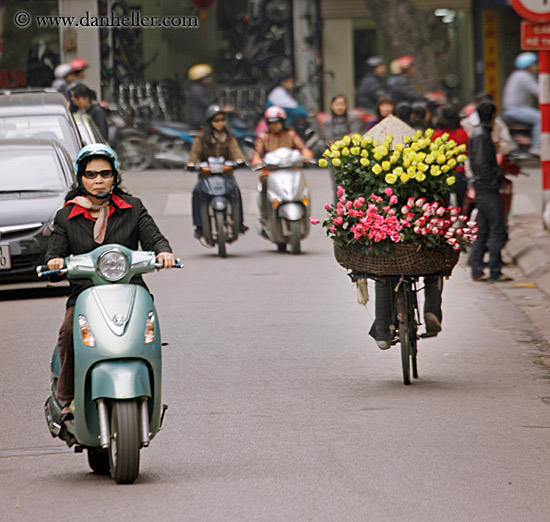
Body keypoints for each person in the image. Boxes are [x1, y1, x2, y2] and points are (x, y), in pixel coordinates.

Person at [45, 144, 175, 416]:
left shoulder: (133, 208)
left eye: (105, 173)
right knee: (69, 332)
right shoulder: (66, 216)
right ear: (81, 178)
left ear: (115, 176)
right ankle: (66, 396)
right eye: (91, 174)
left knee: (147, 334)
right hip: (84, 295)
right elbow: (54, 253)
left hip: (131, 292)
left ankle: (150, 392)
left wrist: (164, 252)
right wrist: (54, 262)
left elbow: (154, 237)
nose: (99, 180)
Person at [187, 104, 248, 238]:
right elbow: (195, 152)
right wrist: (191, 163)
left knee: (236, 192)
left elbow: (235, 150)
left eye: (222, 120)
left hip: (226, 174)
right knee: (197, 192)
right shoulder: (202, 137)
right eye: (216, 120)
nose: (220, 123)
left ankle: (239, 223)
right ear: (210, 122)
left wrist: (240, 160)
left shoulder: (229, 136)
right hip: (206, 175)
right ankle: (199, 225)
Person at [469, 102, 511, 283]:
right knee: (497, 230)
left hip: (482, 188)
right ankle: (494, 269)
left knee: (483, 228)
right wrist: (494, 180)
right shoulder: (481, 136)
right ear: (493, 116)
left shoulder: (480, 135)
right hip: (487, 189)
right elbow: (482, 165)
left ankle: (478, 269)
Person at [252, 106, 313, 221]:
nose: (274, 126)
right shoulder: (263, 137)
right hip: (270, 172)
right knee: (264, 183)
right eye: (271, 123)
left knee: (303, 187)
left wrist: (306, 155)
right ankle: (266, 217)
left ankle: (305, 212)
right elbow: (257, 154)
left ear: (283, 122)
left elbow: (302, 147)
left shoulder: (290, 134)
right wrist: (257, 161)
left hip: (291, 170)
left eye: (277, 123)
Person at [502, 52, 540, 156]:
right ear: (530, 66)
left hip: (513, 109)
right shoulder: (524, 76)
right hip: (515, 110)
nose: (537, 67)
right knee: (541, 117)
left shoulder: (516, 75)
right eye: (535, 64)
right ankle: (537, 146)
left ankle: (529, 142)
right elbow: (539, 92)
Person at [432, 104, 469, 211]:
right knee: (461, 204)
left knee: (444, 205)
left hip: (442, 174)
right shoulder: (463, 134)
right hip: (460, 172)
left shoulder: (437, 135)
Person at [188, 63, 213, 129]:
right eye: (208, 76)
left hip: (199, 121)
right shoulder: (197, 90)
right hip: (199, 122)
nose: (210, 79)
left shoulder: (198, 88)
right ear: (202, 78)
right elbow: (207, 104)